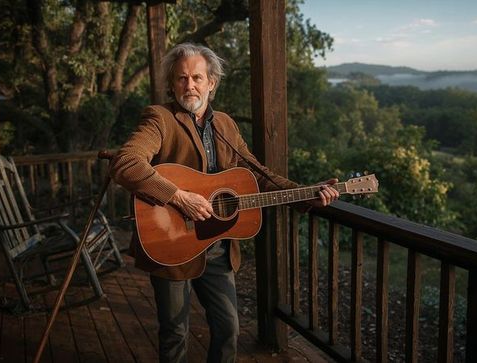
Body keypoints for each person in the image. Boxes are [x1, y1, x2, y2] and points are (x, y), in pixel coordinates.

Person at [109, 43, 339, 363]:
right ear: (172, 83)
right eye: (182, 78)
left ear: (212, 83)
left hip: (217, 245)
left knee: (229, 327)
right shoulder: (159, 118)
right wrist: (178, 196)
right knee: (175, 333)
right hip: (172, 242)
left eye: (197, 78)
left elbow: (258, 175)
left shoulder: (226, 125)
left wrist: (306, 193)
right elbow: (126, 163)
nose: (190, 85)